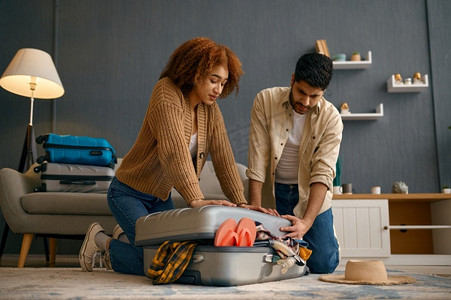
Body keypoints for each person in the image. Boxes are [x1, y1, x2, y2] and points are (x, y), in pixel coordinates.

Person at [79, 37, 252, 275]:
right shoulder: (166, 92)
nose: (218, 90)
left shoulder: (210, 110)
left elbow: (223, 156)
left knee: (176, 259)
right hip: (128, 193)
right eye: (214, 80)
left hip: (159, 198)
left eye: (223, 83)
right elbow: (173, 151)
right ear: (194, 72)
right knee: (157, 262)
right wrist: (196, 200)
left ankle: (126, 237)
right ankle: (101, 242)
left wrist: (241, 204)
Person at [246, 53, 343, 274]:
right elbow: (257, 158)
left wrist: (306, 223)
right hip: (273, 192)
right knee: (259, 260)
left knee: (324, 265)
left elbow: (323, 173)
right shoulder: (265, 100)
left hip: (309, 196)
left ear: (323, 93)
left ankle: (319, 238)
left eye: (314, 96)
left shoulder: (332, 119)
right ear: (292, 80)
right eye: (301, 92)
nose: (305, 102)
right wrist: (255, 214)